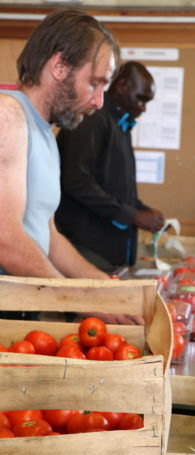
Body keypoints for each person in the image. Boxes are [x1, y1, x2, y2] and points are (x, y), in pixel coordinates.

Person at [0, 9, 120, 318]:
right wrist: (79, 301)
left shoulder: (48, 137)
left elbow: (48, 235)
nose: (99, 102)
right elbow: (6, 240)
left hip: (21, 308)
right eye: (95, 83)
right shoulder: (8, 116)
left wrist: (103, 287)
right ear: (59, 66)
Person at [55, 61, 165, 273]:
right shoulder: (93, 118)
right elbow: (76, 181)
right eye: (141, 98)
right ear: (122, 86)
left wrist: (142, 210)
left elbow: (114, 187)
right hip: (85, 249)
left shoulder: (120, 125)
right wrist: (132, 216)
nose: (143, 107)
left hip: (108, 253)